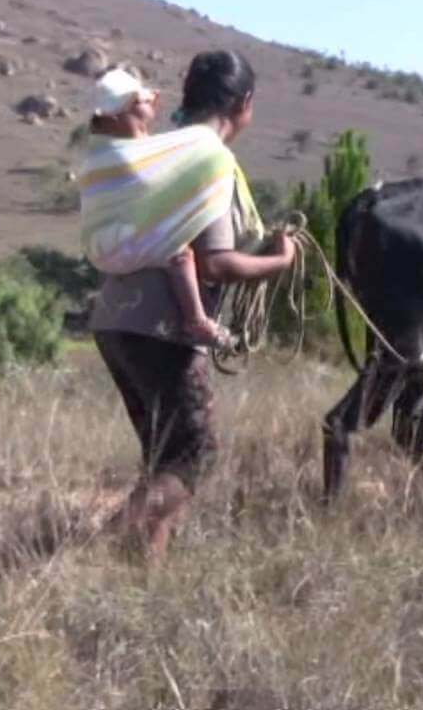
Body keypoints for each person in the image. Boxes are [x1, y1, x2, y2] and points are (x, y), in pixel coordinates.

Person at [90, 50, 296, 562]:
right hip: (161, 330)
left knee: (162, 460)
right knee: (195, 458)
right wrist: (280, 263)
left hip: (116, 322)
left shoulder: (161, 147)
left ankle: (146, 579)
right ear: (244, 103)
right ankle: (99, 543)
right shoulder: (210, 157)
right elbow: (217, 264)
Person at [79, 67, 229, 346]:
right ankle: (197, 321)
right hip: (115, 242)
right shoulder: (120, 154)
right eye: (139, 101)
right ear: (119, 113)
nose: (150, 103)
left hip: (102, 245)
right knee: (179, 252)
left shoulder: (118, 150)